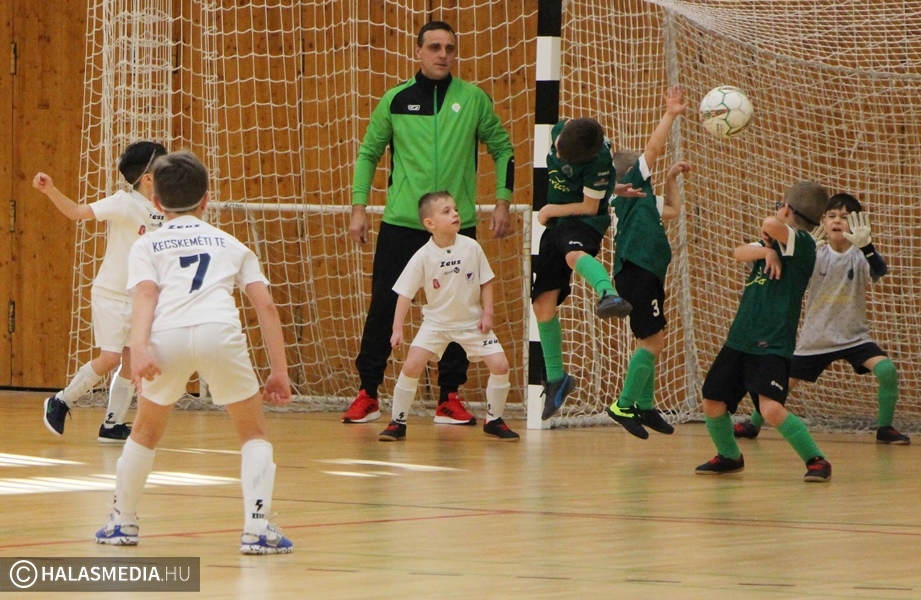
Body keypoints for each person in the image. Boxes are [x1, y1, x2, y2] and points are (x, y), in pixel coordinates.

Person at [95, 151, 294, 555]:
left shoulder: (147, 244)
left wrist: (139, 346)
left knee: (144, 432)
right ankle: (257, 530)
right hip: (219, 333)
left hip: (165, 338)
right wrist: (279, 371)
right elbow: (266, 306)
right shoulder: (231, 243)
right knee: (253, 433)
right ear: (206, 199)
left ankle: (122, 522)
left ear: (156, 202)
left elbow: (145, 295)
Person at [344, 20, 515, 427]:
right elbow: (368, 153)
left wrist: (502, 202)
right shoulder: (395, 100)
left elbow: (504, 149)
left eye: (449, 48)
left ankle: (449, 397)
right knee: (384, 305)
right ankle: (368, 393)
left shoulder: (473, 100)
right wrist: (358, 207)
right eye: (435, 47)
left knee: (460, 311)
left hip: (457, 227)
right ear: (418, 50)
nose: (443, 54)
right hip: (402, 224)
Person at [734, 193, 910, 444]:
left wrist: (868, 247)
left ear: (857, 223)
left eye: (845, 217)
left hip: (854, 337)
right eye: (832, 216)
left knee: (887, 370)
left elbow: (880, 270)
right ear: (823, 222)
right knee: (780, 385)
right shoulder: (814, 253)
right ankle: (753, 424)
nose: (837, 221)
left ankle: (885, 428)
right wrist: (805, 254)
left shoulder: (860, 254)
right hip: (816, 338)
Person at [695, 181, 834, 482]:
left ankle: (817, 460)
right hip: (740, 339)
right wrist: (765, 253)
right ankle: (729, 456)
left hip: (771, 343)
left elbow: (770, 223)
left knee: (770, 409)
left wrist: (771, 237)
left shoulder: (803, 244)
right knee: (713, 402)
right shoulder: (772, 245)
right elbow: (738, 252)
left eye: (779, 206)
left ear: (786, 209)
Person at [34, 141, 167, 442]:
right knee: (109, 358)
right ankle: (60, 400)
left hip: (140, 299)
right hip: (111, 294)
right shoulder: (124, 202)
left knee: (132, 362)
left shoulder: (164, 208)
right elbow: (76, 212)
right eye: (164, 166)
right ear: (148, 178)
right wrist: (50, 190)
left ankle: (112, 424)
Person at [379, 191, 519, 442]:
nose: (455, 213)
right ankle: (397, 422)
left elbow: (486, 281)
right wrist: (397, 328)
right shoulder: (423, 256)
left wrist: (488, 313)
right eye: (446, 211)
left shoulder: (471, 247)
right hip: (436, 324)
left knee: (500, 365)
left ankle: (494, 420)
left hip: (472, 323)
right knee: (411, 366)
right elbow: (404, 294)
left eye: (455, 209)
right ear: (429, 223)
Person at [532, 117, 637, 421]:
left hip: (583, 221)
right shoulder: (563, 130)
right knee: (542, 304)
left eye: (563, 155)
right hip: (556, 226)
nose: (557, 153)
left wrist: (550, 209)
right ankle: (557, 378)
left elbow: (590, 207)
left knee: (573, 255)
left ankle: (608, 293)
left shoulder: (598, 162)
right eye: (557, 148)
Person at [605, 85, 689, 439]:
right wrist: (669, 113)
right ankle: (624, 404)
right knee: (653, 343)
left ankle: (646, 404)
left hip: (645, 273)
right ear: (632, 175)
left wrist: (669, 180)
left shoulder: (640, 199)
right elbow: (653, 149)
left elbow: (672, 210)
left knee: (651, 339)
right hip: (637, 271)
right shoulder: (631, 187)